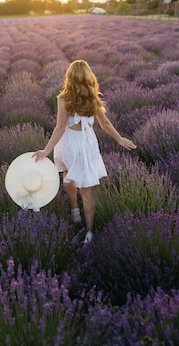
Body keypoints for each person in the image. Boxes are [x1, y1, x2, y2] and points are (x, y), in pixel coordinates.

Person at [33, 59, 136, 244]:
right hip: (87, 145)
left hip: (67, 145)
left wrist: (47, 150)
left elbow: (60, 127)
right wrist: (120, 139)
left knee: (67, 174)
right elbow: (105, 124)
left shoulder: (64, 98)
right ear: (89, 76)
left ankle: (74, 210)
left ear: (69, 77)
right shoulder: (93, 97)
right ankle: (89, 231)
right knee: (87, 190)